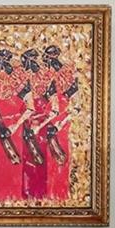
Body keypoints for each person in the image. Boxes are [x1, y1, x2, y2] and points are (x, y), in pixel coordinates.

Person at [0, 49, 29, 203]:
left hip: (16, 127)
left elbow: (29, 106)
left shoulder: (22, 79)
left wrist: (15, 125)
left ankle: (16, 195)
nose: (10, 63)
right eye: (6, 61)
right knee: (0, 160)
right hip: (1, 127)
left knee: (16, 161)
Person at [39, 44, 77, 201]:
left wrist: (59, 122)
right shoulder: (52, 76)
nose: (46, 62)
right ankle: (53, 192)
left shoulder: (67, 74)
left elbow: (74, 101)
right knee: (51, 157)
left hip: (60, 120)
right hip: (53, 118)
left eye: (48, 59)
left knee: (59, 155)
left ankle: (59, 192)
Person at [18, 48, 52, 200]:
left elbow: (51, 105)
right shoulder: (26, 80)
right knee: (28, 159)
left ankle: (39, 193)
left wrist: (38, 125)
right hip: (27, 125)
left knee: (39, 157)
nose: (24, 65)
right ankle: (28, 193)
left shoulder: (45, 79)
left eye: (25, 62)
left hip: (39, 125)